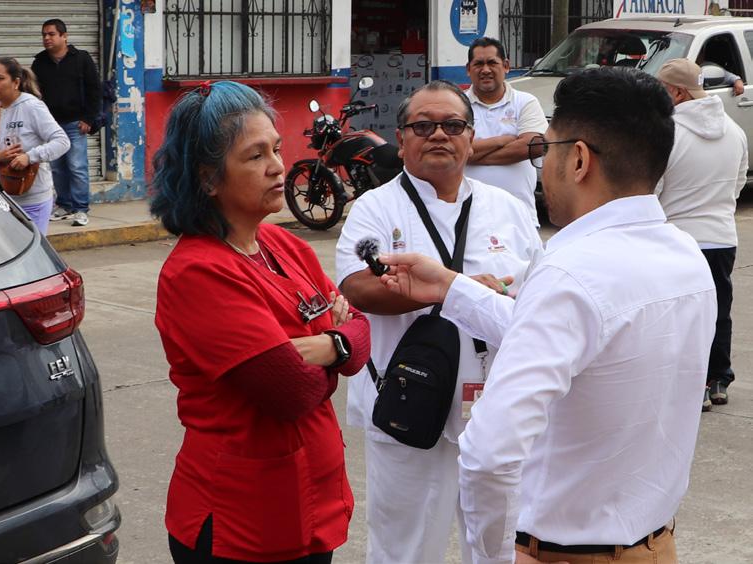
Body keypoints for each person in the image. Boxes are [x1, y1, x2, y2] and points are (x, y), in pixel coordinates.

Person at [378, 67, 717, 564]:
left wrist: (496, 554)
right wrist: (452, 288)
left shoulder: (570, 272)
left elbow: (488, 454)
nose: (542, 165)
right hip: (655, 544)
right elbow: (575, 343)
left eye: (547, 149)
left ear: (578, 159)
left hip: (564, 551)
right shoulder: (686, 257)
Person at [150, 80, 371, 564]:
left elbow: (360, 327)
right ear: (208, 179)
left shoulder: (283, 245)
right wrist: (338, 341)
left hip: (310, 506)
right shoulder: (198, 272)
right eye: (255, 156)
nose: (277, 166)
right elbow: (290, 392)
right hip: (241, 522)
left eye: (275, 148)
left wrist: (330, 346)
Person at [335, 80, 542, 564]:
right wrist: (458, 289)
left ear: (471, 136)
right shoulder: (375, 208)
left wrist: (472, 290)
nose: (439, 135)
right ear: (401, 139)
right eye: (423, 126)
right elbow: (356, 285)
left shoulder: (508, 210)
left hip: (492, 405)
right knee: (403, 548)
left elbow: (539, 295)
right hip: (408, 397)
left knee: (497, 547)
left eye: (452, 125)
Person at [657, 58, 747, 411]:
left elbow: (654, 188)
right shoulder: (735, 130)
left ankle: (691, 383)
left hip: (677, 239)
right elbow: (738, 184)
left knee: (681, 314)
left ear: (678, 93)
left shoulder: (667, 132)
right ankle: (718, 378)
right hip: (722, 237)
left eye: (662, 90)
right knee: (718, 310)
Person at [0, 58, 70, 234]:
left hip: (33, 199)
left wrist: (29, 157)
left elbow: (62, 141)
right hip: (0, 200)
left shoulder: (32, 106)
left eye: (0, 78)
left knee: (35, 247)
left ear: (16, 82)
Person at [462, 37, 548, 226]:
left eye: (492, 62)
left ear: (506, 66)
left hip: (519, 217)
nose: (485, 70)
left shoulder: (525, 102)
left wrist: (470, 154)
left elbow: (534, 147)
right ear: (468, 69)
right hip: (468, 217)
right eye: (478, 64)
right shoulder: (457, 105)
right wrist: (502, 140)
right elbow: (453, 149)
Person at [32, 18, 101, 228]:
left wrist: (89, 118)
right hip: (51, 125)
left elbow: (94, 90)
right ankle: (64, 204)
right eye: (44, 34)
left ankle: (81, 209)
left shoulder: (81, 58)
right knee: (57, 168)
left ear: (64, 36)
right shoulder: (40, 62)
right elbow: (34, 92)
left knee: (77, 166)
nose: (47, 38)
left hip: (75, 123)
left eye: (51, 34)